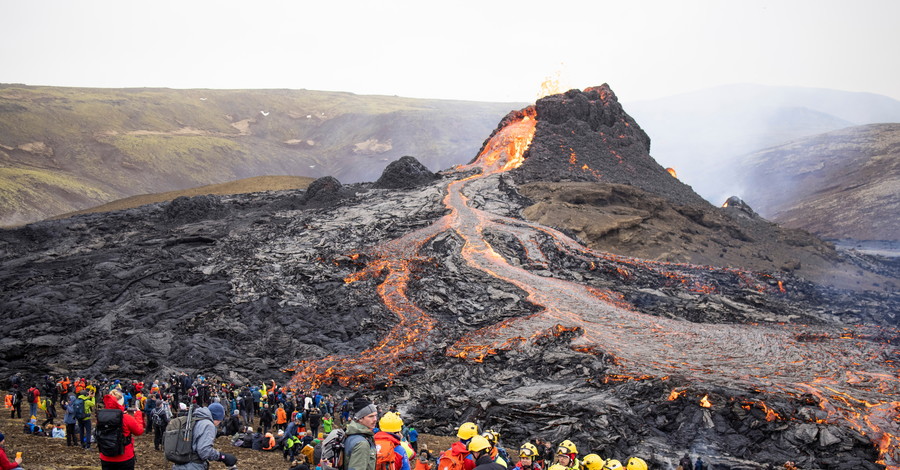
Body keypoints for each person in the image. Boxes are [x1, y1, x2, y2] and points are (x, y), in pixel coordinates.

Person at [171, 402, 237, 470]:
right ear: (218, 418)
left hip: (180, 464)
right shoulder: (208, 425)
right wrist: (223, 457)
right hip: (193, 466)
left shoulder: (194, 419)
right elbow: (204, 451)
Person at [99, 389, 145, 470]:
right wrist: (138, 416)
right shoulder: (126, 418)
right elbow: (139, 431)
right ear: (122, 403)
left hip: (105, 456)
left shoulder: (101, 417)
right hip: (124, 456)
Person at [344, 396, 378, 470]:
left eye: (376, 415)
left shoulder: (351, 434)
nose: (375, 419)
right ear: (360, 419)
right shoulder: (362, 444)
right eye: (371, 416)